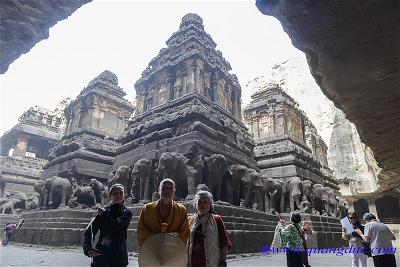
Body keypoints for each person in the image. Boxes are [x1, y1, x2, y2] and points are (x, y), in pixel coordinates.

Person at [83, 183, 133, 267]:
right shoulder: (104, 212)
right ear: (110, 196)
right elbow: (90, 230)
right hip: (101, 255)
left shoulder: (126, 213)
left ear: (124, 195)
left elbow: (115, 226)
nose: (118, 195)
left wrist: (104, 214)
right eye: (115, 193)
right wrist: (88, 249)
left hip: (118, 257)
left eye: (121, 193)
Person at [136, 178, 190, 246]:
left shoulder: (181, 210)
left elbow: (185, 232)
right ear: (159, 190)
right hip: (152, 249)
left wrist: (169, 238)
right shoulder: (147, 209)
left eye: (170, 188)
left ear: (174, 191)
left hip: (173, 250)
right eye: (164, 188)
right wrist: (157, 238)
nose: (167, 190)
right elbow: (141, 231)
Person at [187, 190, 232, 267]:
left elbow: (224, 243)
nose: (202, 205)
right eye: (199, 201)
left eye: (206, 202)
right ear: (195, 204)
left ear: (210, 204)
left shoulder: (217, 219)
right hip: (193, 262)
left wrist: (222, 262)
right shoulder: (190, 220)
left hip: (211, 262)